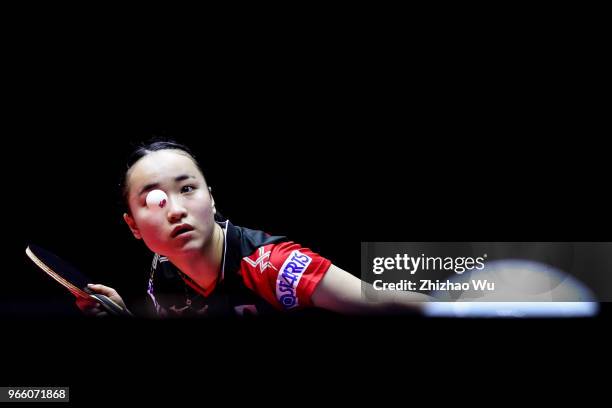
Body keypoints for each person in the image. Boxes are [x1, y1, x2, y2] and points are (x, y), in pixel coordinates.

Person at [77, 139, 431, 317]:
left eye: (187, 189)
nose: (177, 210)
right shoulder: (165, 271)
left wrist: (464, 306)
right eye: (155, 199)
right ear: (133, 225)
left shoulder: (274, 266)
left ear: (211, 199)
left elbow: (386, 304)